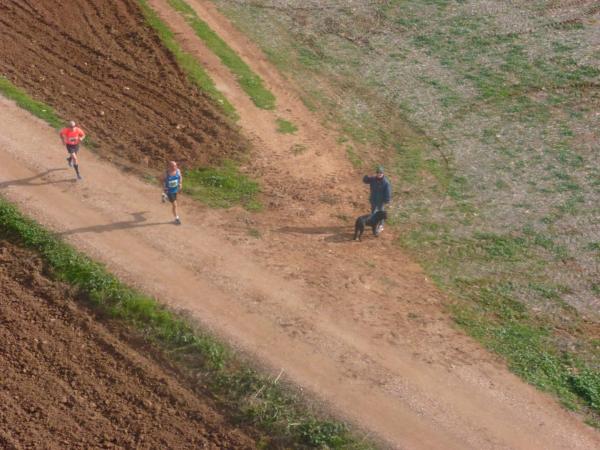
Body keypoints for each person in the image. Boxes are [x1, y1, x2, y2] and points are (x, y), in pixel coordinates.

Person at [363, 165, 391, 235]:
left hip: (380, 201)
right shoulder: (373, 179)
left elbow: (388, 192)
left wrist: (387, 200)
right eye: (378, 173)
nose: (379, 174)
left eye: (381, 173)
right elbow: (365, 181)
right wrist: (365, 177)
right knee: (373, 212)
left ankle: (381, 225)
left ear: (383, 173)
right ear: (376, 173)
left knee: (381, 213)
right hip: (373, 199)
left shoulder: (386, 183)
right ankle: (373, 223)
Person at [162, 161, 183, 225]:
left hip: (175, 190)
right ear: (169, 167)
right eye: (173, 166)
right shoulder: (166, 173)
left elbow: (180, 177)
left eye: (175, 166)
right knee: (175, 205)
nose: (174, 167)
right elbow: (162, 180)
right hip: (169, 190)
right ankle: (177, 218)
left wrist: (180, 183)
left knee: (173, 202)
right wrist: (164, 187)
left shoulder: (178, 171)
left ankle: (165, 197)